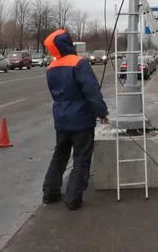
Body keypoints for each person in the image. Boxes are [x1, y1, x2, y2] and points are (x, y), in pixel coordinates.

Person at [41, 28, 109, 210]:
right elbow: (91, 92)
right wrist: (102, 113)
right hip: (81, 118)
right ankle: (73, 198)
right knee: (81, 157)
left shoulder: (51, 67)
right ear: (68, 44)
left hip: (61, 118)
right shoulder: (79, 63)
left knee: (60, 155)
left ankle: (50, 193)